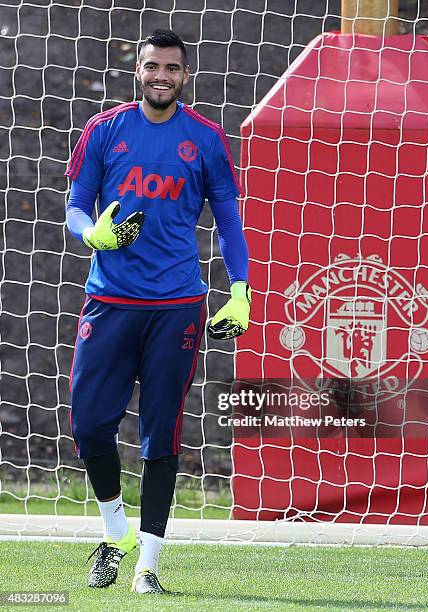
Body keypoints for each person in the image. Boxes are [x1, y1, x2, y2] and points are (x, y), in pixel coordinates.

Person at [65, 29, 250, 594]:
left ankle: (147, 567)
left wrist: (239, 288)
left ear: (185, 75)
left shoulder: (206, 139)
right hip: (110, 300)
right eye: (152, 66)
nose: (161, 76)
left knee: (160, 435)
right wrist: (92, 233)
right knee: (90, 424)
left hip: (177, 307)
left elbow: (229, 219)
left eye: (172, 67)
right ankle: (115, 531)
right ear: (138, 72)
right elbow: (74, 206)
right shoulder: (105, 130)